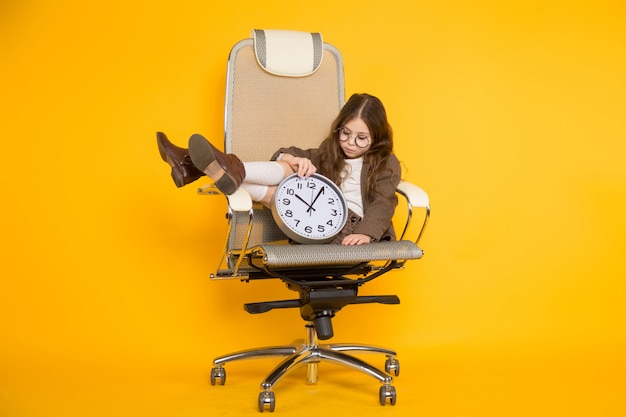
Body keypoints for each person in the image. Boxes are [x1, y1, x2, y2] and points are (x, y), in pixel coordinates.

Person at [157, 93, 401, 246]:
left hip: (349, 228)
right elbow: (289, 154)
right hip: (314, 221)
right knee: (291, 164)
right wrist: (291, 158)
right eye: (345, 133)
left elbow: (384, 203)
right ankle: (220, 169)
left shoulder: (385, 163)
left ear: (376, 138)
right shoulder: (332, 152)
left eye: (361, 138)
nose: (349, 142)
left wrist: (367, 234)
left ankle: (195, 166)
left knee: (282, 192)